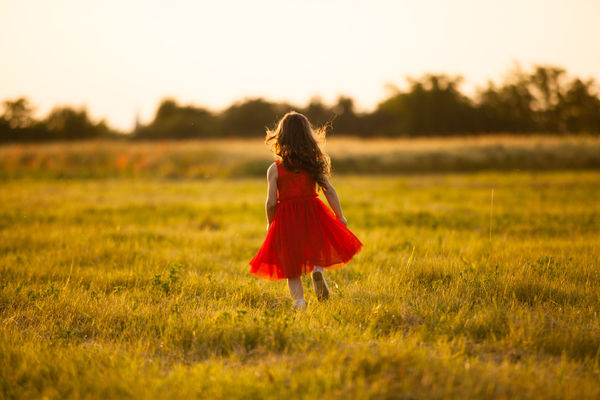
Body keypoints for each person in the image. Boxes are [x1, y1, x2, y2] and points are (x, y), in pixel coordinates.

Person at [249, 111, 363, 309]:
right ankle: (317, 270)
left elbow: (270, 202)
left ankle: (299, 302)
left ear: (281, 136)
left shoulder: (275, 168)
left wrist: (270, 222)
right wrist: (340, 215)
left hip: (286, 217)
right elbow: (329, 190)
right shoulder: (313, 163)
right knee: (316, 248)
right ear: (308, 136)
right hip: (313, 211)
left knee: (291, 265)